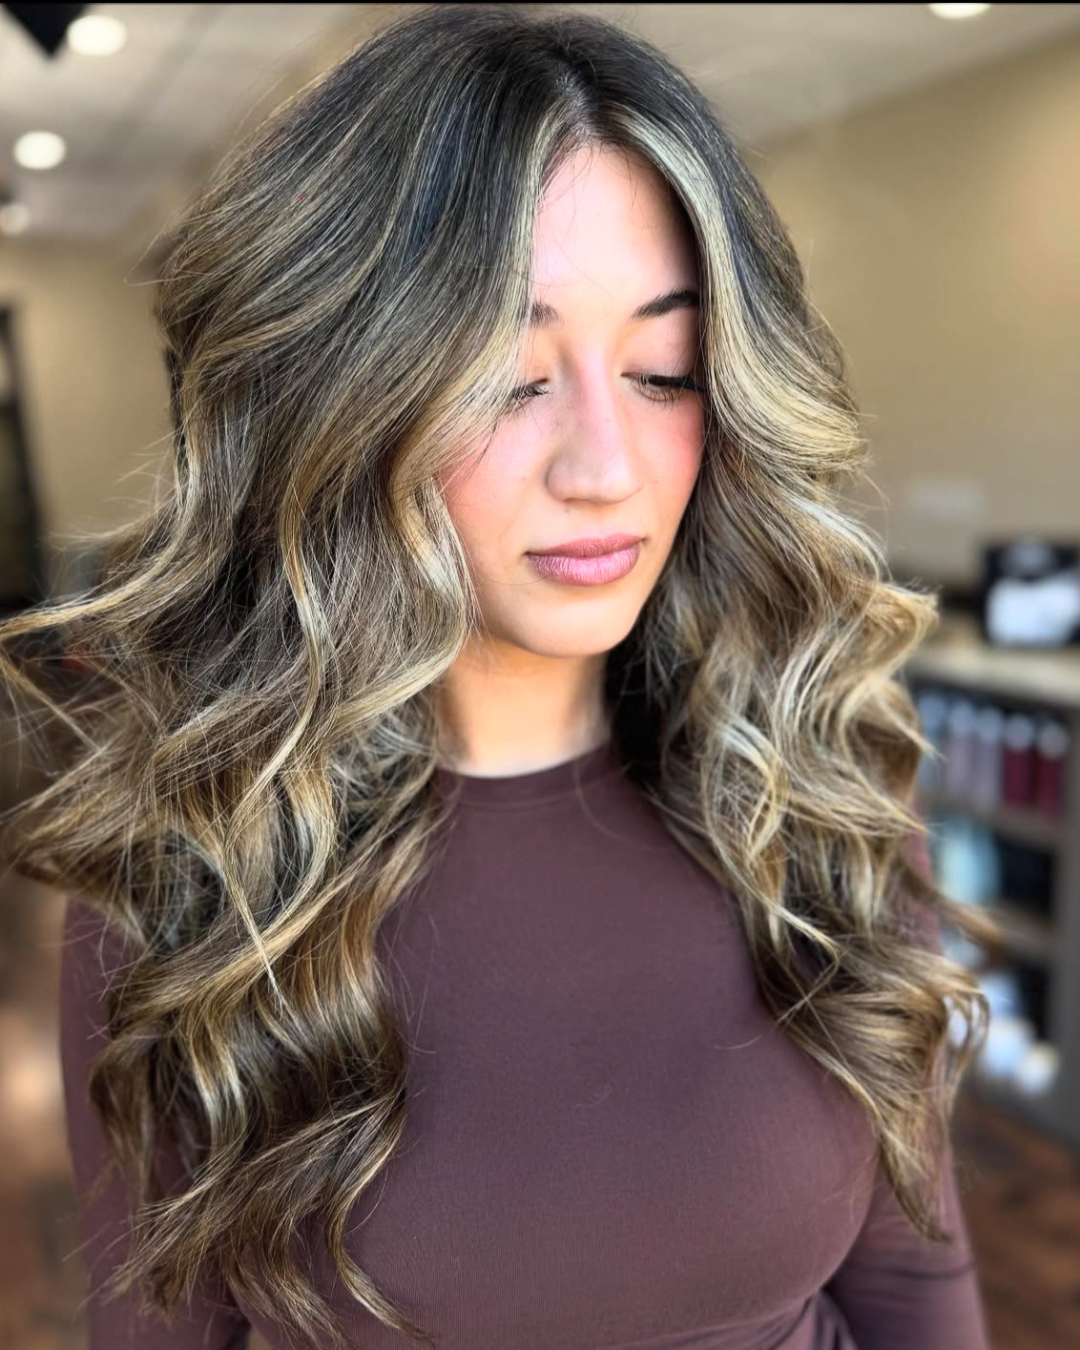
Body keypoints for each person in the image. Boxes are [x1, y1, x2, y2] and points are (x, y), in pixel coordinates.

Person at [2, 5, 1000, 1348]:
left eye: (664, 366)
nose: (605, 465)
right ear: (341, 404)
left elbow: (912, 1281)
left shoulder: (820, 783)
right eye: (505, 379)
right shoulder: (189, 872)